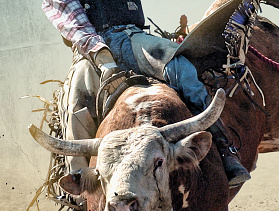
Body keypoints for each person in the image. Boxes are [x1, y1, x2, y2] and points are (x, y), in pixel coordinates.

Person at [42, 0, 250, 188]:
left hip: (132, 37)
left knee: (182, 70)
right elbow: (75, 26)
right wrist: (103, 58)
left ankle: (224, 150)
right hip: (90, 51)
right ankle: (80, 184)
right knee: (77, 108)